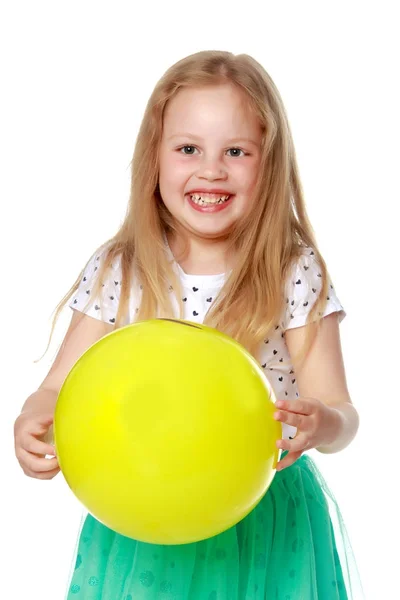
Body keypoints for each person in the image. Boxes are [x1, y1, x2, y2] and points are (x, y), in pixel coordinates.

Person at [14, 50, 364, 599]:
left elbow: (342, 413)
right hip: (145, 508)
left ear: (268, 162)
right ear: (154, 159)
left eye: (236, 151)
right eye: (188, 149)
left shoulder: (291, 270)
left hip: (263, 517)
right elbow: (56, 388)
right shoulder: (121, 268)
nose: (211, 169)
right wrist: (33, 422)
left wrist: (322, 422)